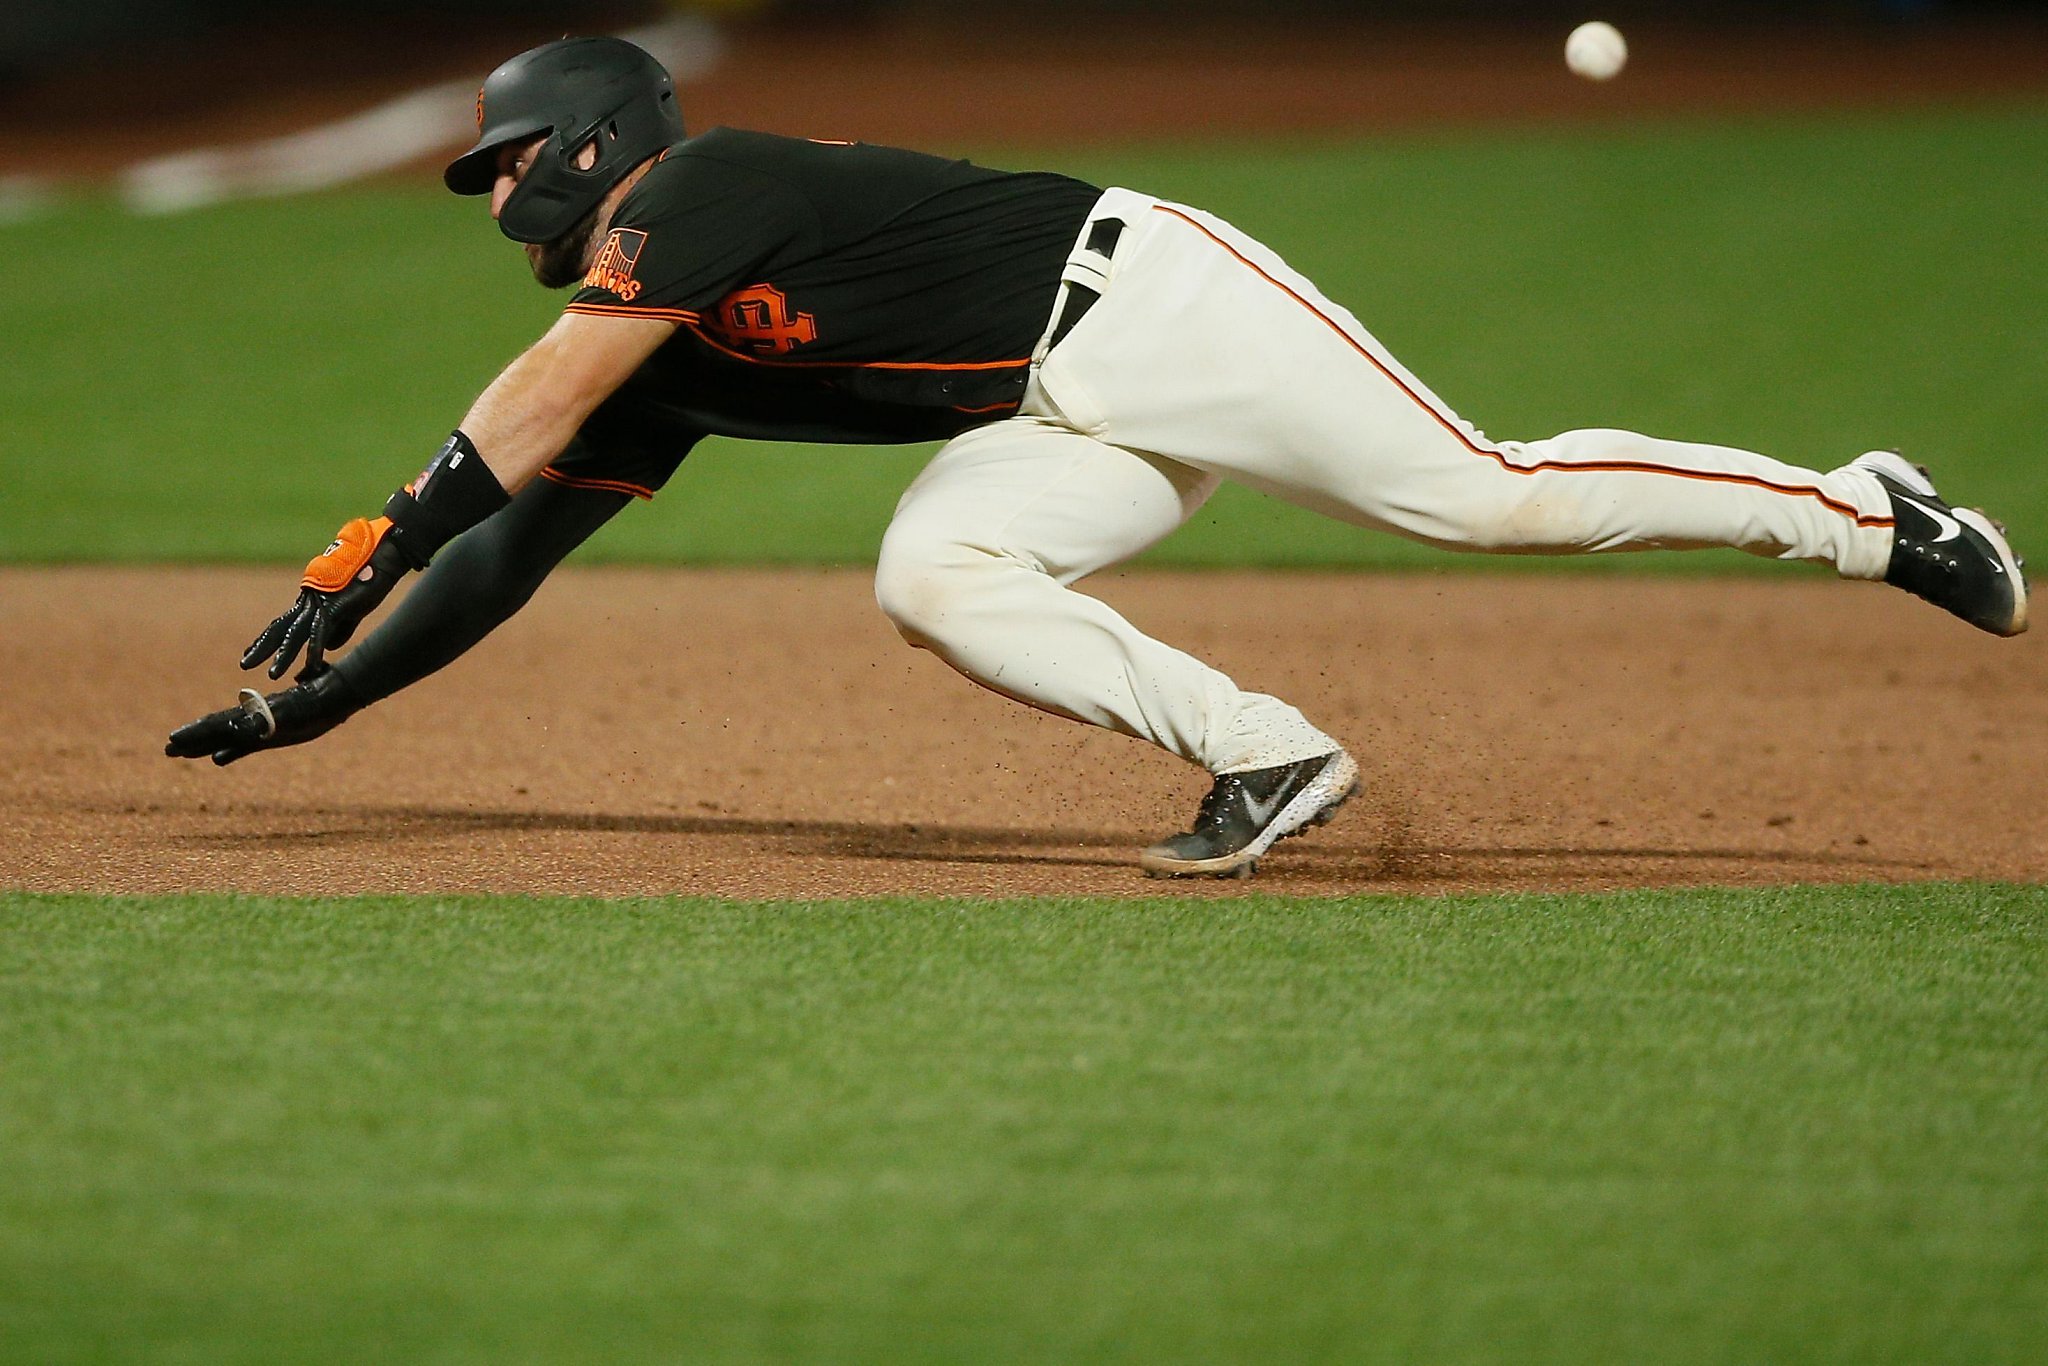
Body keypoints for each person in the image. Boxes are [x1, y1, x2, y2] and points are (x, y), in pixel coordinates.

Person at [166, 36, 2029, 879]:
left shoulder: (698, 189)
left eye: (501, 161)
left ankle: (1865, 511)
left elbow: (514, 419)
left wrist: (370, 535)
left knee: (1481, 492)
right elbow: (520, 537)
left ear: (585, 143)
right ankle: (1269, 757)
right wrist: (324, 709)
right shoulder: (647, 346)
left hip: (1153, 306)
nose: (492, 192)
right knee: (934, 576)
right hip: (1057, 413)